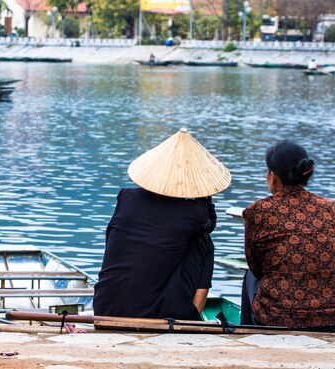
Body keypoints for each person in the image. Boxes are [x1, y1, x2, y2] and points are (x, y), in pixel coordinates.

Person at [93, 128, 231, 320]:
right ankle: (192, 315)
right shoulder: (192, 213)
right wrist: (204, 197)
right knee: (203, 241)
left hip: (105, 306)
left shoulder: (126, 197)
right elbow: (209, 223)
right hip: (153, 313)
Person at [241, 140, 335, 337]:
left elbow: (256, 267)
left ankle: (248, 339)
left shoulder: (258, 211)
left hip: (279, 320)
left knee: (249, 276)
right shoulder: (332, 208)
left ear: (272, 176)